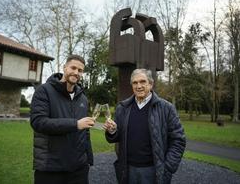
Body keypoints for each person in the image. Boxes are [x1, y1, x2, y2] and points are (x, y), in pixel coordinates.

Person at [103, 69, 186, 184]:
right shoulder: (122, 108)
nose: (139, 86)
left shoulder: (166, 108)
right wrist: (112, 131)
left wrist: (167, 167)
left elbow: (178, 140)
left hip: (154, 171)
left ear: (150, 84)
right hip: (127, 170)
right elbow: (116, 137)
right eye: (135, 83)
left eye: (143, 82)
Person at [30, 54, 95, 184]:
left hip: (79, 169)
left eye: (80, 70)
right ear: (64, 68)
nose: (76, 72)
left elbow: (85, 131)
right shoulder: (44, 90)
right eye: (73, 68)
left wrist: (88, 159)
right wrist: (75, 124)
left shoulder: (82, 98)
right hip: (51, 168)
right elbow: (38, 122)